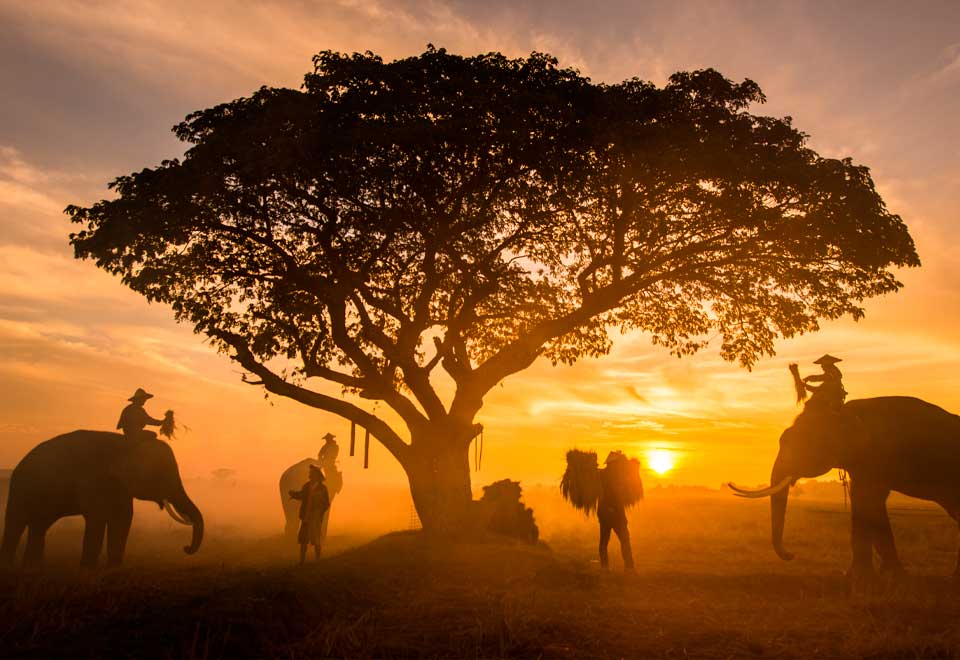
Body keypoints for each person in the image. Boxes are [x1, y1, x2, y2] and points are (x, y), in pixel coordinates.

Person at [597, 451, 635, 571]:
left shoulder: (601, 474)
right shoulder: (616, 477)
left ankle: (605, 568)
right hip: (615, 514)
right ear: (613, 463)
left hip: (604, 514)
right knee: (624, 539)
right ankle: (629, 568)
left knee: (604, 541)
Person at [289, 464, 331, 564]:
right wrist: (294, 494)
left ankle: (317, 561)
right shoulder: (307, 486)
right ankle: (302, 561)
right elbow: (302, 495)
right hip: (306, 518)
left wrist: (319, 511)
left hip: (315, 519)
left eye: (311, 474)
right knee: (304, 540)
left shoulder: (323, 488)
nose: (309, 475)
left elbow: (326, 503)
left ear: (316, 475)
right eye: (310, 473)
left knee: (316, 539)